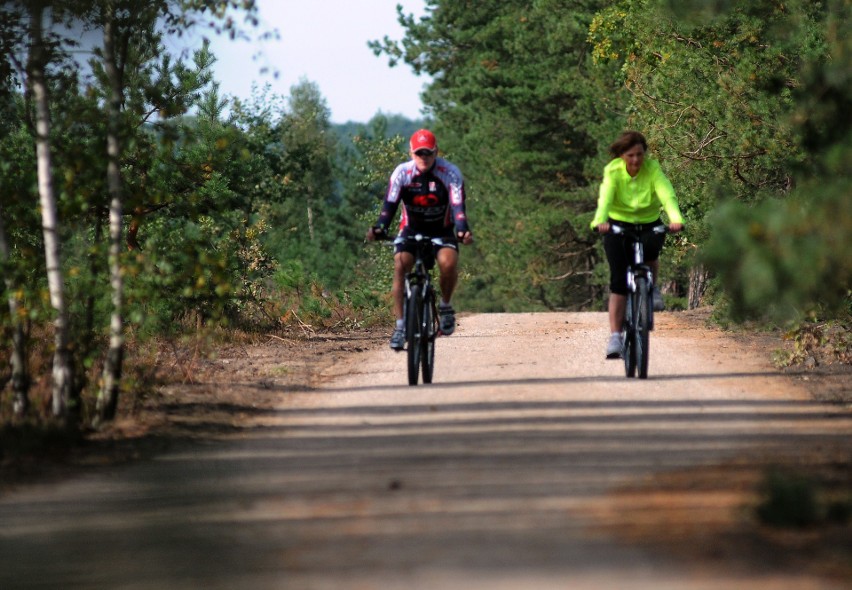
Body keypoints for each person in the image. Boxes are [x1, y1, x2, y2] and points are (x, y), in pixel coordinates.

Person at [366, 129, 474, 350]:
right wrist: (379, 228)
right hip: (411, 229)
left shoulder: (450, 173)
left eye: (428, 153)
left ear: (436, 152)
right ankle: (400, 327)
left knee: (448, 262)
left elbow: (458, 207)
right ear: (411, 153)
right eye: (418, 153)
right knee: (401, 265)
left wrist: (462, 230)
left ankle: (445, 307)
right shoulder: (402, 173)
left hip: (441, 230)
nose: (423, 158)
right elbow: (389, 205)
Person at [591, 131, 684, 359]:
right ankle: (615, 337)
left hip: (648, 222)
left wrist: (675, 218)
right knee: (619, 281)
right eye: (630, 155)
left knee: (652, 249)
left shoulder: (652, 169)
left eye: (640, 154)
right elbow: (605, 197)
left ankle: (651, 290)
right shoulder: (613, 171)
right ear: (622, 155)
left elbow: (666, 194)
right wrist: (600, 220)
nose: (635, 160)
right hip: (617, 225)